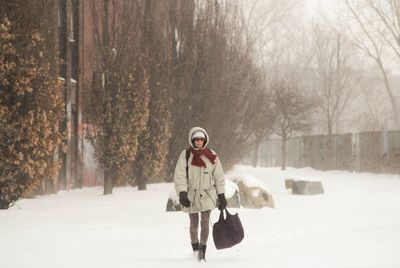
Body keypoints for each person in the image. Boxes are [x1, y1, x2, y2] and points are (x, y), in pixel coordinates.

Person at [174, 126, 227, 262]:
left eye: (201, 139)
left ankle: (202, 251)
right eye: (196, 139)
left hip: (207, 194)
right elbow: (180, 176)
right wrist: (182, 193)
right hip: (191, 195)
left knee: (204, 221)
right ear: (192, 140)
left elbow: (219, 176)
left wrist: (221, 196)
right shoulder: (185, 155)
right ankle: (195, 249)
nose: (199, 142)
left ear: (205, 140)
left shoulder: (211, 155)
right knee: (193, 222)